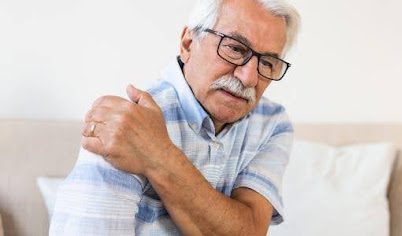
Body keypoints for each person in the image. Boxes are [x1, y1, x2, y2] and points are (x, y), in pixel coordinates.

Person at [50, 0, 300, 235]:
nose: (249, 78)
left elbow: (251, 230)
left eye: (267, 63)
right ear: (188, 44)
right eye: (235, 48)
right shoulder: (125, 125)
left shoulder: (271, 122)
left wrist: (158, 154)